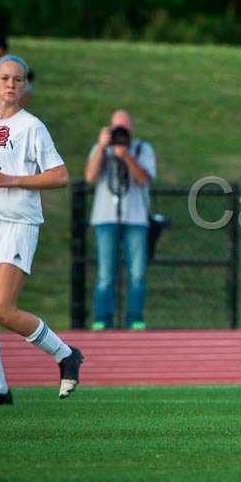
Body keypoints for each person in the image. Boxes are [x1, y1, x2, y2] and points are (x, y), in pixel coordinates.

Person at [0, 55, 83, 406]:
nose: (12, 85)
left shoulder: (32, 127)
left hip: (17, 224)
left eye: (18, 79)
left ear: (24, 85)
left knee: (1, 308)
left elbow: (60, 175)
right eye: (5, 79)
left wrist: (15, 180)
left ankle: (66, 355)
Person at [84, 110, 157, 330]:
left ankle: (135, 319)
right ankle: (102, 320)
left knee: (137, 272)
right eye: (116, 128)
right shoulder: (100, 149)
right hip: (105, 218)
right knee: (105, 273)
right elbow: (90, 176)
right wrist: (102, 147)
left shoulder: (143, 149)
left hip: (135, 218)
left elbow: (143, 179)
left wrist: (126, 155)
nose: (120, 132)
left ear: (131, 129)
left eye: (124, 128)